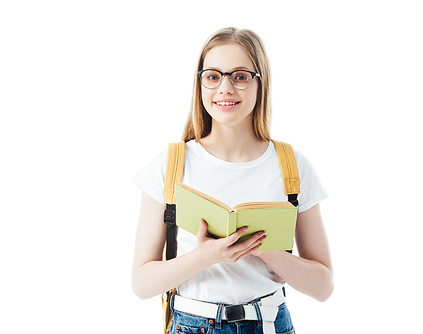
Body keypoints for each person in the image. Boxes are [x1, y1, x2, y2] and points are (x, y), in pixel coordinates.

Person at [131, 27, 333, 334]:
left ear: (259, 82)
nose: (225, 88)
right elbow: (142, 284)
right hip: (191, 325)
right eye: (213, 76)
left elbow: (323, 287)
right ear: (199, 83)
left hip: (268, 324)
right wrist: (204, 257)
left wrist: (264, 250)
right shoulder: (170, 165)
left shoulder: (291, 166)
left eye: (240, 76)